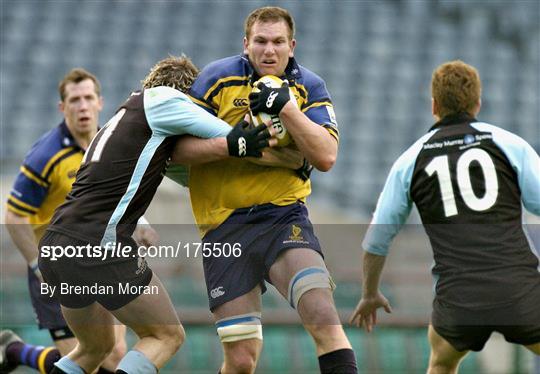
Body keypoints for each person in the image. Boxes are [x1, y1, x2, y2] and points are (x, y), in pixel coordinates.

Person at [35, 55, 273, 374]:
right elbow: (229, 136)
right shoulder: (164, 99)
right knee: (165, 335)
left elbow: (118, 181)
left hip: (57, 246)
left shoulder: (123, 120)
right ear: (188, 92)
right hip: (98, 246)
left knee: (95, 348)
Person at [185, 6, 357, 374]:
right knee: (242, 359)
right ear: (245, 44)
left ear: (291, 46)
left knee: (323, 317)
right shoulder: (217, 79)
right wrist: (234, 145)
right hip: (225, 227)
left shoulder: (308, 85)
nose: (269, 51)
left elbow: (326, 156)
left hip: (283, 218)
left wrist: (288, 110)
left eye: (278, 42)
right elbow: (176, 150)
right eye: (260, 41)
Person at [349, 60, 540, 373]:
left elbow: (376, 241)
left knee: (441, 362)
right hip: (517, 288)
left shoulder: (411, 159)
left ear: (434, 105)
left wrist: (370, 294)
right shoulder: (509, 144)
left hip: (459, 299)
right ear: (478, 103)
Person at [2, 68, 149, 374]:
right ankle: (16, 350)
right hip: (56, 266)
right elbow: (14, 215)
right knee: (92, 361)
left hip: (99, 260)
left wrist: (142, 221)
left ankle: (14, 350)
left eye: (88, 98)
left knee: (114, 353)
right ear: (62, 107)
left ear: (100, 102)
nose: (82, 106)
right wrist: (36, 265)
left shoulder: (111, 144)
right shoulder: (46, 156)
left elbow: (120, 192)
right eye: (74, 100)